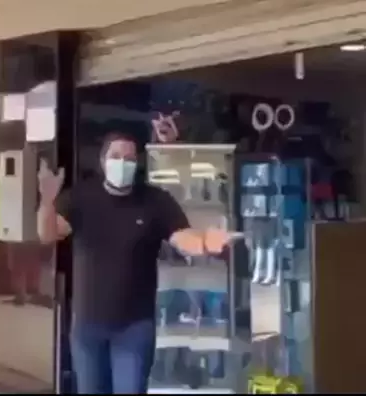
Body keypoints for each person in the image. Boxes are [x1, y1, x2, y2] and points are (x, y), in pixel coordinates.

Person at [36, 114, 230, 394]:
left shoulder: (155, 201)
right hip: (88, 326)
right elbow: (47, 234)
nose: (122, 163)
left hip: (134, 328)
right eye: (115, 157)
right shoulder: (82, 197)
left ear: (137, 163)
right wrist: (46, 201)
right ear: (103, 161)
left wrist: (205, 243)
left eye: (129, 158)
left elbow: (182, 237)